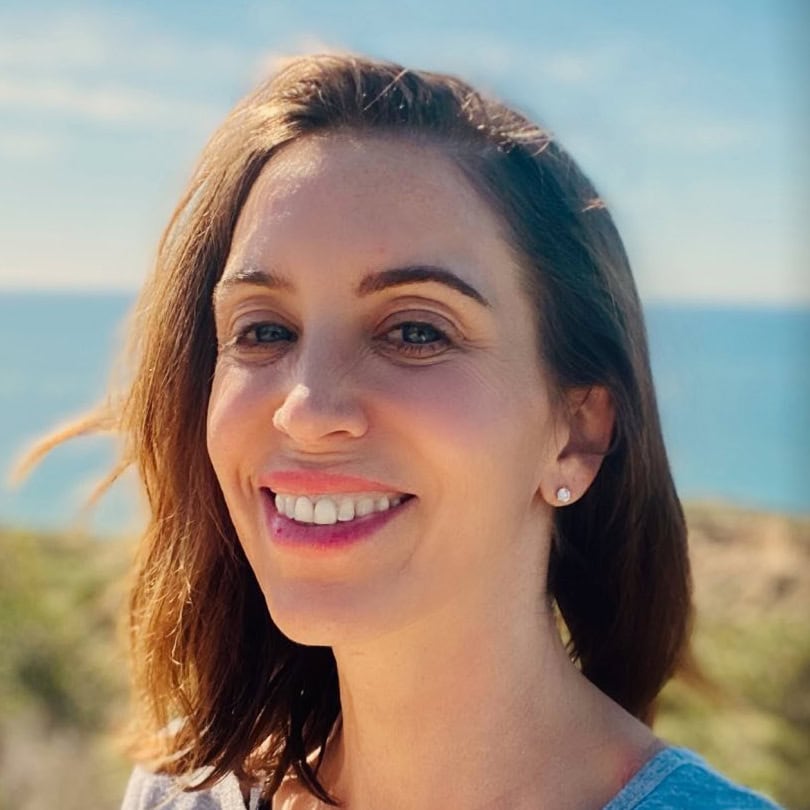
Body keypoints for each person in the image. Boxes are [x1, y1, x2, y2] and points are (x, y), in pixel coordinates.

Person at [86, 53, 778, 809]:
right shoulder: (183, 792)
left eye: (415, 331)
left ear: (576, 433)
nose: (306, 410)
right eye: (264, 331)